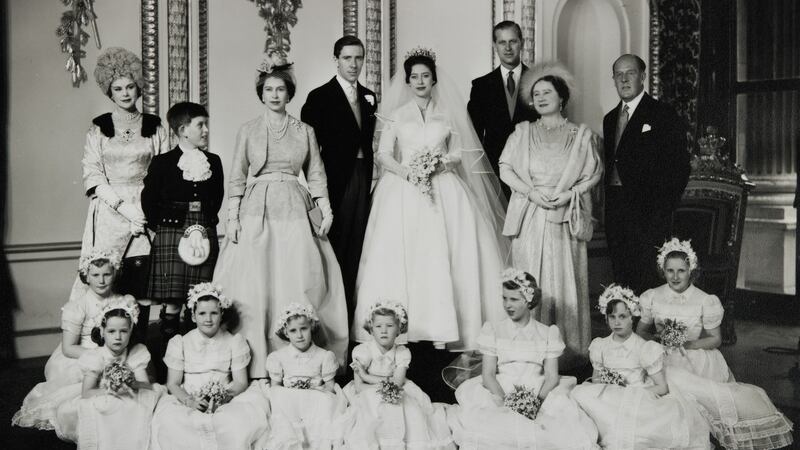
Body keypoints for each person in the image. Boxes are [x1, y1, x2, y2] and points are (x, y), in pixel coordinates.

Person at [353, 48, 508, 366]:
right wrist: (407, 171)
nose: (420, 81)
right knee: (402, 255)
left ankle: (445, 327)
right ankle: (402, 329)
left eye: (425, 76)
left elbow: (458, 152)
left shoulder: (447, 113)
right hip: (402, 188)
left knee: (445, 253)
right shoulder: (397, 114)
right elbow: (383, 154)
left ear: (434, 79)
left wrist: (438, 164)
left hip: (443, 187)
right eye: (414, 77)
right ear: (407, 82)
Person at [212, 59, 348, 378]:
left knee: (298, 273)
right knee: (254, 279)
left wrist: (325, 210)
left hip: (294, 206)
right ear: (261, 94)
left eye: (281, 89)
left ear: (290, 94)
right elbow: (236, 176)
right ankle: (255, 361)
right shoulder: (248, 130)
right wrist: (231, 218)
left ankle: (299, 359)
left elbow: (315, 174)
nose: (275, 95)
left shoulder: (305, 131)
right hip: (256, 207)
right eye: (269, 89)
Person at [637, 238, 794, 449]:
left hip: (693, 356)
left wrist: (689, 343)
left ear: (691, 270)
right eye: (669, 271)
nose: (675, 277)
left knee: (682, 387)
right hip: (659, 355)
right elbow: (641, 331)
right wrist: (656, 343)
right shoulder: (652, 296)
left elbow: (715, 338)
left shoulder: (705, 300)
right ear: (662, 270)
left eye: (681, 271)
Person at [499, 65, 602, 366]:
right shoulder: (522, 133)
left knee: (564, 280)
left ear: (562, 97)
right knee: (530, 278)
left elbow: (593, 173)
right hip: (530, 215)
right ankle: (529, 353)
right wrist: (530, 193)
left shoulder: (582, 136)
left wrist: (570, 194)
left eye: (548, 92)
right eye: (536, 94)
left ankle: (569, 352)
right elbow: (505, 167)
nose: (541, 98)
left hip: (564, 216)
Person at [445, 269, 598, 449]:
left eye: (514, 299)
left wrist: (536, 402)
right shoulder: (493, 330)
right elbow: (488, 375)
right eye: (504, 298)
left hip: (538, 391)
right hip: (500, 390)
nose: (507, 305)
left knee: (558, 429)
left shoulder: (548, 333)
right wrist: (506, 402)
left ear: (528, 300)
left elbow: (551, 376)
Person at [68, 47, 168, 306]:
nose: (125, 93)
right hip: (110, 211)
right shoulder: (100, 127)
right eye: (118, 88)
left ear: (139, 88)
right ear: (109, 92)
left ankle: (139, 344)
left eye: (130, 87)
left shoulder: (154, 126)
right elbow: (92, 173)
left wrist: (144, 210)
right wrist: (123, 207)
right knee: (105, 279)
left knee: (142, 280)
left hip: (145, 208)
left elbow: (164, 170)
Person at [571, 284, 711, 449]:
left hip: (636, 396)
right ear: (606, 318)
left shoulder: (644, 348)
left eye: (623, 316)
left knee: (630, 431)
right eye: (612, 317)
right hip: (608, 395)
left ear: (633, 317)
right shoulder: (600, 346)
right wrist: (608, 382)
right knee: (579, 393)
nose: (617, 322)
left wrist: (631, 393)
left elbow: (662, 387)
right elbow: (596, 379)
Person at [12, 250, 133, 431]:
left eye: (107, 274)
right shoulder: (77, 307)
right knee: (86, 393)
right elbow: (68, 348)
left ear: (115, 273)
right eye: (95, 275)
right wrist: (100, 356)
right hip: (82, 354)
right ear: (86, 276)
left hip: (118, 349)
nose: (101, 280)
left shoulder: (123, 302)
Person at [301, 37, 377, 319]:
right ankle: (331, 312)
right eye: (348, 58)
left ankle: (351, 310)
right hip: (334, 180)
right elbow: (309, 149)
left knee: (358, 243)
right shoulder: (319, 97)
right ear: (336, 59)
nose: (354, 64)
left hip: (363, 177)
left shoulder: (369, 96)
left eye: (359, 58)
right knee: (336, 244)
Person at [603, 54, 690, 294]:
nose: (624, 79)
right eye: (618, 75)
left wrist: (662, 209)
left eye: (629, 73)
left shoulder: (662, 114)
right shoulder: (610, 119)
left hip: (648, 213)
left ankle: (647, 330)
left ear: (642, 76)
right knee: (621, 274)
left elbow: (679, 166)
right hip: (616, 212)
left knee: (647, 277)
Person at [141, 102, 224, 343]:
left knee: (200, 297)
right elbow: (149, 200)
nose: (206, 130)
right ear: (183, 129)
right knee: (174, 299)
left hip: (204, 229)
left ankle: (197, 355)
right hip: (171, 230)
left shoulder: (214, 161)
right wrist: (164, 228)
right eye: (200, 125)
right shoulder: (162, 162)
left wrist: (203, 222)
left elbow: (216, 198)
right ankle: (170, 355)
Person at [150, 283, 269, 450]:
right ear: (193, 316)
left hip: (226, 395)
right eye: (202, 313)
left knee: (239, 422)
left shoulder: (234, 342)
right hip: (189, 395)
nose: (208, 319)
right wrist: (189, 401)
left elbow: (240, 382)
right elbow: (173, 383)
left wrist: (224, 397)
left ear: (221, 314)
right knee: (172, 424)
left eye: (214, 313)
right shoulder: (180, 342)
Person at [341, 301, 454, 449]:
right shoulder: (363, 351)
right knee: (373, 408)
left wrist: (367, 376)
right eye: (378, 326)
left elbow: (398, 382)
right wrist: (380, 385)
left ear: (399, 329)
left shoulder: (402, 352)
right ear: (371, 329)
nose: (384, 331)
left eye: (389, 326)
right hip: (367, 390)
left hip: (397, 387)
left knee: (410, 409)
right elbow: (359, 386)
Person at [54, 298, 161, 448]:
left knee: (139, 404)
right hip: (101, 395)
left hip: (129, 394)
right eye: (111, 331)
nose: (118, 337)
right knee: (106, 409)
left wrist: (131, 383)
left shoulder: (136, 353)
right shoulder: (95, 356)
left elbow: (146, 386)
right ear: (102, 332)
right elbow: (86, 393)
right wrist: (111, 389)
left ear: (131, 331)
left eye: (123, 331)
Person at [467, 20, 538, 196]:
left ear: (522, 42)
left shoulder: (540, 82)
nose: (508, 47)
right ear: (494, 46)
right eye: (502, 42)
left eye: (512, 41)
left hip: (532, 171)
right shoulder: (481, 86)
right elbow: (473, 135)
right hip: (493, 172)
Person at [263, 303, 347, 449]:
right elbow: (275, 388)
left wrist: (313, 394)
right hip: (289, 402)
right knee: (280, 397)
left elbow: (329, 386)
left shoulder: (324, 356)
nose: (299, 335)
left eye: (304, 329)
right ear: (286, 332)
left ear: (311, 327)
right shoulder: (278, 357)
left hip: (315, 400)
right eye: (293, 331)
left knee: (326, 401)